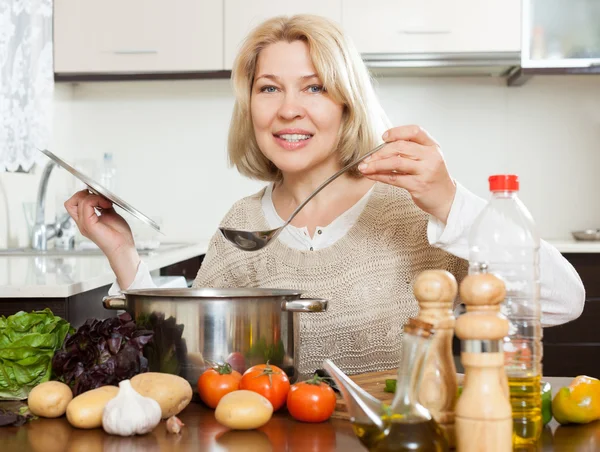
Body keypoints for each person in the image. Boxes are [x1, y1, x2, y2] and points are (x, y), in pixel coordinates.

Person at [65, 14, 585, 377]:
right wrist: (123, 254)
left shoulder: (414, 204)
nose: (288, 109)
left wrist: (451, 203)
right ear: (250, 107)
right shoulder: (243, 222)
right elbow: (182, 355)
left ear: (346, 103)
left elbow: (563, 302)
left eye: (313, 87)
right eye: (269, 88)